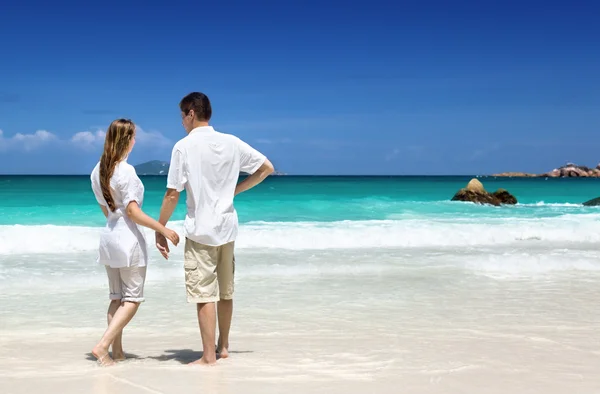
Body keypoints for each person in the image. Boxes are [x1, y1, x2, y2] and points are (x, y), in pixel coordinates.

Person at [155, 92, 274, 365]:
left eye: (182, 116)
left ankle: (208, 356)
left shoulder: (183, 147)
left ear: (191, 113)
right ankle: (223, 348)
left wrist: (160, 227)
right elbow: (266, 167)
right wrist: (235, 191)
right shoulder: (231, 142)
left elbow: (172, 194)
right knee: (225, 291)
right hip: (227, 228)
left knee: (204, 293)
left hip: (201, 231)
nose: (181, 122)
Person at [90, 118, 180, 366]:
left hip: (109, 237)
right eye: (134, 136)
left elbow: (106, 211)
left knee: (116, 298)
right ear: (127, 140)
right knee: (132, 299)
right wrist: (163, 228)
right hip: (128, 239)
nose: (136, 140)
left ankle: (116, 354)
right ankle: (102, 346)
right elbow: (132, 212)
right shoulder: (126, 171)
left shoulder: (96, 170)